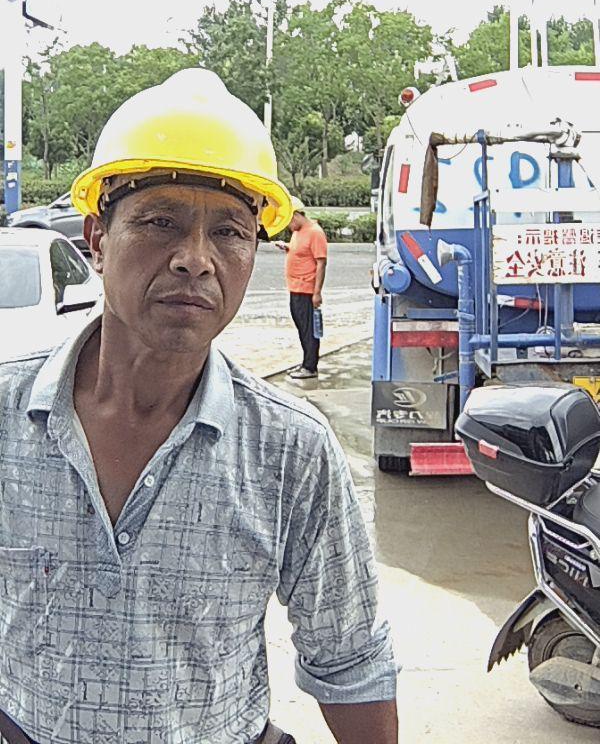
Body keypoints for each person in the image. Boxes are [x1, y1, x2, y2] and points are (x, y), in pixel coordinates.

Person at [0, 69, 398, 744]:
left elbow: (350, 658)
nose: (194, 259)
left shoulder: (290, 450)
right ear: (97, 240)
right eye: (161, 222)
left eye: (230, 232)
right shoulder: (7, 416)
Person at [277, 197, 327, 380]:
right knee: (301, 328)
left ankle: (310, 367)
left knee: (308, 330)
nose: (289, 227)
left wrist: (317, 292)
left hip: (306, 289)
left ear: (296, 215)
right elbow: (301, 251)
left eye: (289, 222)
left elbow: (321, 263)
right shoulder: (298, 232)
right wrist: (287, 247)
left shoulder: (315, 232)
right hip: (295, 288)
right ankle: (306, 361)